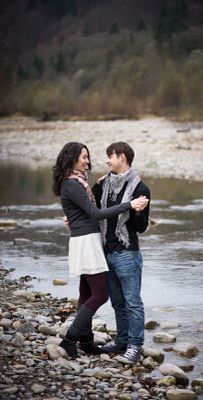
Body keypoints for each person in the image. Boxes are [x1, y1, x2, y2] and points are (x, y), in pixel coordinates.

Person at [52, 142, 148, 358]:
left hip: (95, 242)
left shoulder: (82, 183)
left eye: (88, 157)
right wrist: (129, 205)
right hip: (88, 242)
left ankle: (86, 341)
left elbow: (84, 207)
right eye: (84, 157)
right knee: (102, 295)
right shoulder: (75, 183)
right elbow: (94, 212)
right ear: (72, 158)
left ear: (121, 157)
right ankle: (69, 340)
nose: (89, 161)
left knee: (87, 293)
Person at [92, 142, 150, 363]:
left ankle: (135, 346)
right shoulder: (103, 183)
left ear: (122, 157)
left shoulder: (140, 188)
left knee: (133, 302)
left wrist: (137, 212)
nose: (107, 160)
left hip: (127, 253)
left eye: (110, 156)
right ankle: (121, 341)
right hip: (106, 251)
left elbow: (142, 227)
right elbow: (94, 211)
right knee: (117, 302)